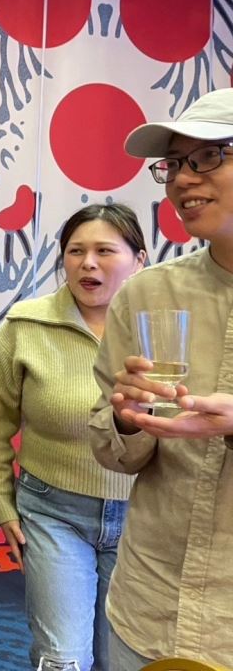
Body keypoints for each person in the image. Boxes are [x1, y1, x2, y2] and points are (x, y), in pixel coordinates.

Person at [0, 204, 147, 671]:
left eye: (104, 251)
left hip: (144, 516)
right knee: (62, 658)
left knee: (122, 657)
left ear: (139, 261)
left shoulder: (162, 330)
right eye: (75, 251)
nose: (88, 264)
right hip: (52, 513)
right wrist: (2, 505)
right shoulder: (25, 325)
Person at [91, 87, 233, 670]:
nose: (182, 179)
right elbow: (112, 447)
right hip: (149, 606)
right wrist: (126, 418)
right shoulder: (148, 294)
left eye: (208, 156)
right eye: (173, 164)